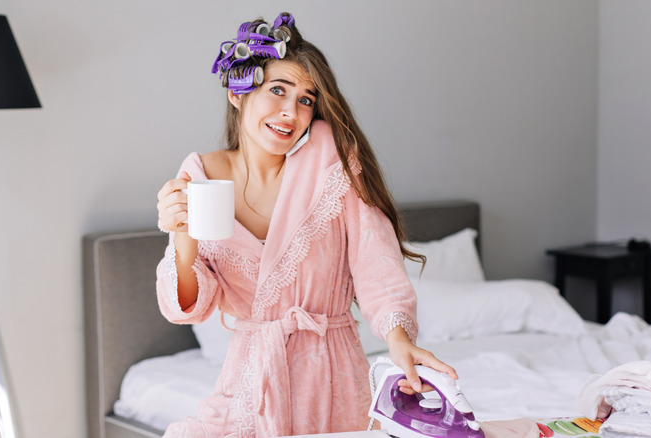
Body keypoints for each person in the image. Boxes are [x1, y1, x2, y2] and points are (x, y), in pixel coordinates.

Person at [155, 13, 456, 438]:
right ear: (237, 93)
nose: (291, 112)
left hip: (332, 379)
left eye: (306, 99)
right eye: (278, 90)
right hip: (251, 380)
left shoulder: (329, 157)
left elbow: (376, 258)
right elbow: (190, 306)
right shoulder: (199, 176)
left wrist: (399, 339)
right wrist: (181, 238)